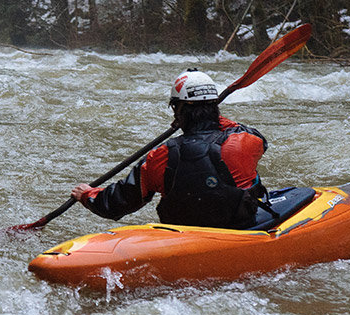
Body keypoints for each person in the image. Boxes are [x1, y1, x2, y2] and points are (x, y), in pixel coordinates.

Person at [71, 68, 268, 229]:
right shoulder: (246, 141)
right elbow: (257, 138)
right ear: (214, 107)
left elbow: (119, 202)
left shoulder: (160, 156)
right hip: (239, 231)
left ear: (177, 109)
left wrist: (88, 195)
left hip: (182, 237)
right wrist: (212, 116)